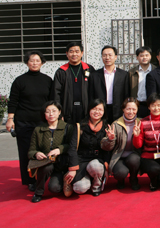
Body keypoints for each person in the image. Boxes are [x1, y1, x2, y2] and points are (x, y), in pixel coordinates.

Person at [7, 50, 53, 191]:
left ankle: (42, 177)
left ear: (42, 63)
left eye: (37, 60)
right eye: (31, 60)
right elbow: (13, 101)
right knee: (26, 152)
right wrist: (10, 119)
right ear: (27, 63)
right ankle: (30, 180)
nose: (34, 63)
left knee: (43, 150)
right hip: (24, 122)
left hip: (42, 122)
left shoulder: (47, 80)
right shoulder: (19, 81)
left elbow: (52, 101)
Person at [28, 101, 73, 203]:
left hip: (61, 163)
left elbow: (72, 146)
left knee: (54, 188)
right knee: (46, 168)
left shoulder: (67, 127)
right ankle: (38, 192)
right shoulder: (38, 129)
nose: (51, 114)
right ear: (44, 114)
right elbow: (31, 151)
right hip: (46, 163)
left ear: (59, 112)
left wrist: (59, 149)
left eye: (54, 111)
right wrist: (36, 154)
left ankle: (64, 180)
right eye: (47, 111)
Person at [65, 99, 110, 196]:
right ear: (89, 110)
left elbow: (107, 150)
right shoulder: (80, 126)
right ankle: (84, 178)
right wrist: (72, 169)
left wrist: (106, 168)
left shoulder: (106, 128)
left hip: (97, 161)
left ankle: (96, 186)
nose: (97, 112)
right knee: (79, 188)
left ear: (104, 112)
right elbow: (72, 148)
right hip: (81, 161)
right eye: (94, 109)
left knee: (95, 166)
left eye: (100, 109)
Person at [133, 92, 160, 191]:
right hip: (148, 157)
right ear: (149, 107)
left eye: (159, 105)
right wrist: (136, 136)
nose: (156, 108)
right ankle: (153, 181)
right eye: (153, 105)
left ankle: (158, 179)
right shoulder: (143, 122)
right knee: (154, 169)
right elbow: (138, 145)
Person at [101, 98, 141, 190]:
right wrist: (110, 139)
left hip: (133, 155)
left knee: (134, 160)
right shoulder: (116, 124)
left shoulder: (140, 123)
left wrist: (137, 136)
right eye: (128, 109)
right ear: (123, 109)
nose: (131, 112)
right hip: (118, 156)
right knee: (121, 172)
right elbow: (107, 147)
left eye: (134, 109)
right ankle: (120, 180)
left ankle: (133, 178)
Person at [52, 42, 95, 124]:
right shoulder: (61, 71)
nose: (74, 54)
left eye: (77, 51)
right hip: (67, 110)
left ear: (82, 53)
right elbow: (56, 93)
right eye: (71, 51)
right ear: (67, 54)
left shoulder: (89, 69)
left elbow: (94, 90)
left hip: (86, 110)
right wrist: (58, 112)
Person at [90, 46, 130, 123]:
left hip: (118, 109)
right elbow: (91, 95)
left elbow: (126, 94)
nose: (107, 58)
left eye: (110, 55)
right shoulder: (94, 75)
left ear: (115, 57)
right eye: (104, 55)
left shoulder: (123, 75)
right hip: (100, 110)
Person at [128, 46, 155, 118]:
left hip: (153, 105)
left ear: (150, 56)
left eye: (146, 55)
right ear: (137, 57)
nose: (144, 57)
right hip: (137, 104)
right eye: (141, 56)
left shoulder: (156, 71)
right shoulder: (131, 72)